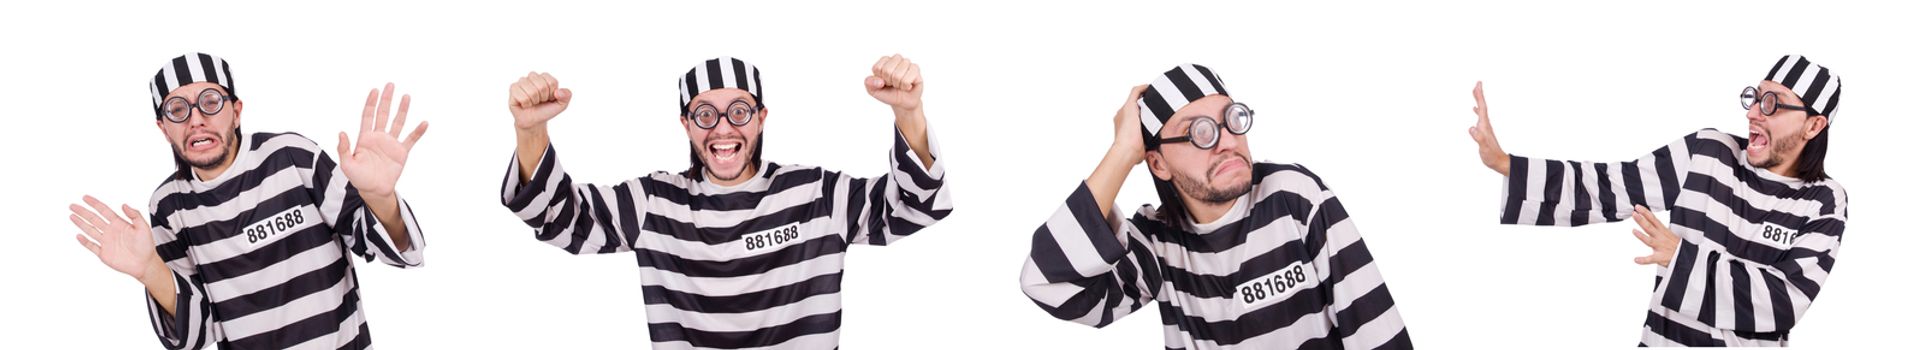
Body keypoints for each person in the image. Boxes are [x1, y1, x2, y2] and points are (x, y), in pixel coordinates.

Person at [497, 55, 952, 349]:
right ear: (686, 125)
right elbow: (558, 221)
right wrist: (531, 131)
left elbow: (916, 206)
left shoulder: (817, 194)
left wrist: (908, 113)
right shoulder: (655, 203)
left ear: (760, 118)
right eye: (705, 114)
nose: (723, 129)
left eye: (738, 111)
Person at [1021, 64, 1412, 349]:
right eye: (1199, 132)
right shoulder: (1157, 245)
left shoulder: (1294, 198)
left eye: (1232, 119)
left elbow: (1377, 333)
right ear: (1158, 163)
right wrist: (1122, 153)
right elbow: (1048, 284)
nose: (1227, 141)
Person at [1466, 55, 1847, 346]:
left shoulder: (1825, 202)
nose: (1752, 112)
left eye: (1772, 103)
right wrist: (1505, 164)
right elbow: (1610, 186)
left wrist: (1681, 257)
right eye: (1755, 97)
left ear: (1814, 125)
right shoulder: (1709, 152)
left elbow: (1783, 302)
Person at [66, 52, 432, 349]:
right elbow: (196, 333)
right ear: (164, 128)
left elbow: (393, 250)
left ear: (236, 111)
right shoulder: (169, 207)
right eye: (177, 110)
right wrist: (150, 270)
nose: (195, 120)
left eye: (210, 102)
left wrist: (379, 197)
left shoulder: (292, 157)